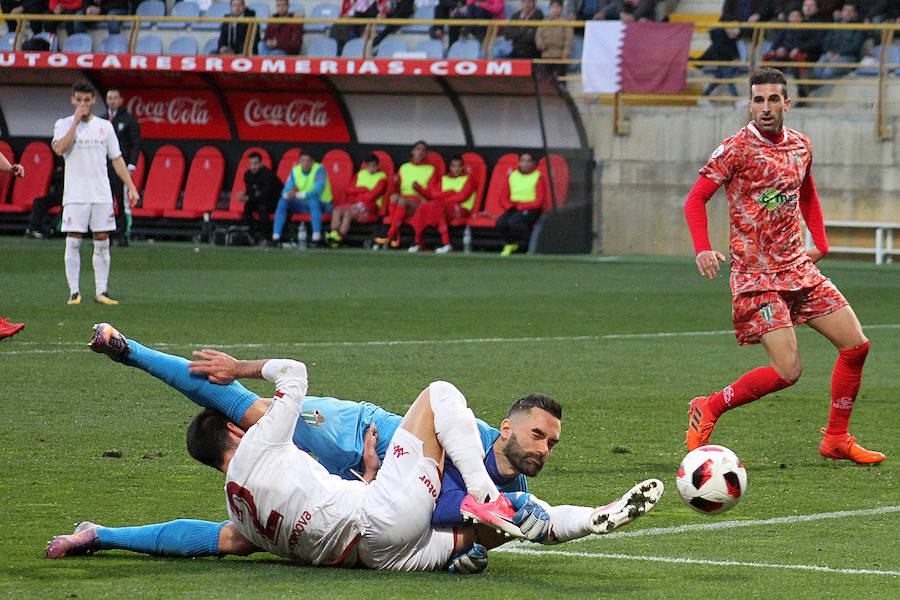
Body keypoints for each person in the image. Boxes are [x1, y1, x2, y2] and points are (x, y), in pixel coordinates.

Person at [45, 323, 663, 564]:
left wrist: (468, 548)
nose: (544, 449)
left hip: (362, 497)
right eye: (538, 435)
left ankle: (101, 535)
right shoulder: (471, 438)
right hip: (356, 439)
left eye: (550, 444)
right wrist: (240, 365)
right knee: (246, 405)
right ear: (507, 428)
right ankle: (133, 353)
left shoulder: (516, 486)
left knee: (235, 537)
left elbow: (458, 529)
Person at [683, 67, 884, 465]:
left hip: (798, 268)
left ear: (787, 103)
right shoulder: (736, 149)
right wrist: (703, 248)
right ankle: (709, 406)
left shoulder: (801, 146)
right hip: (757, 277)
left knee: (856, 345)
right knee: (789, 371)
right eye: (758, 99)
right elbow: (695, 199)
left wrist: (820, 242)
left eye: (773, 99)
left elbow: (806, 191)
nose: (766, 107)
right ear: (750, 104)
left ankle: (837, 439)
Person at [52, 80, 139, 305]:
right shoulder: (63, 124)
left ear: (92, 101)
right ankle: (74, 292)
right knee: (73, 241)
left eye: (86, 100)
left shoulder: (104, 126)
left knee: (102, 240)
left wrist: (130, 185)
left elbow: (117, 158)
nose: (82, 104)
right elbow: (60, 148)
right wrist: (75, 123)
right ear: (73, 100)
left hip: (101, 193)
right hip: (75, 195)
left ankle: (102, 291)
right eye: (78, 100)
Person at [374, 141, 438, 249]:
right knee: (394, 197)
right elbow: (396, 190)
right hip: (403, 203)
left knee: (401, 201)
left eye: (423, 150)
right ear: (413, 151)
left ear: (426, 153)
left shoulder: (431, 170)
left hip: (420, 204)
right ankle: (396, 235)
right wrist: (394, 183)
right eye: (418, 149)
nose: (420, 152)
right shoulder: (404, 167)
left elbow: (431, 196)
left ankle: (391, 234)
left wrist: (418, 188)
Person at [409, 155, 476, 254]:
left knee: (439, 207)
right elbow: (434, 194)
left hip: (462, 209)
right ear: (450, 167)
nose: (456, 169)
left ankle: (446, 244)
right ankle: (418, 242)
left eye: (459, 166)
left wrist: (443, 198)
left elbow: (462, 197)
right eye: (454, 166)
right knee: (424, 206)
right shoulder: (444, 178)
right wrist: (450, 192)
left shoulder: (468, 179)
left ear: (462, 167)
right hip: (443, 206)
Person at [104, 87, 141, 247]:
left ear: (120, 100)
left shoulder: (129, 120)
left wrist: (131, 164)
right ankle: (107, 233)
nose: (112, 100)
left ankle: (123, 233)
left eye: (115, 97)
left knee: (121, 199)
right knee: (105, 200)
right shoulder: (102, 120)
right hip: (104, 167)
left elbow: (135, 144)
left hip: (121, 167)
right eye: (109, 97)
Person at [272, 150, 332, 247]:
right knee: (283, 201)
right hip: (304, 204)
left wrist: (296, 194)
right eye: (303, 160)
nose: (305, 163)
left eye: (308, 161)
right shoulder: (295, 170)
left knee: (313, 201)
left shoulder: (320, 170)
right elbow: (286, 189)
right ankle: (276, 237)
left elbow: (316, 192)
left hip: (324, 205)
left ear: (313, 161)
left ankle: (316, 238)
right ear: (299, 160)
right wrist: (288, 194)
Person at [327, 154, 388, 247]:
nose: (371, 168)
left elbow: (373, 196)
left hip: (370, 206)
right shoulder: (360, 174)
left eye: (374, 166)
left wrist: (357, 195)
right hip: (355, 204)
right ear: (366, 166)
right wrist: (361, 190)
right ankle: (334, 233)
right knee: (337, 210)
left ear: (378, 166)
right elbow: (348, 189)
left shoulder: (382, 177)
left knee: (348, 213)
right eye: (369, 166)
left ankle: (339, 238)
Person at [495, 152, 548, 256]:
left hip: (531, 209)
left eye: (528, 161)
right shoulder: (513, 175)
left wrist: (522, 206)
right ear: (519, 163)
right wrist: (509, 206)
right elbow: (503, 196)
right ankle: (509, 244)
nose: (525, 164)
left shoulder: (538, 177)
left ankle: (528, 245)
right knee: (500, 222)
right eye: (523, 161)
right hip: (515, 208)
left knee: (514, 221)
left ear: (533, 163)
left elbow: (539, 200)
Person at [813, 2, 865, 80]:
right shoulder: (835, 25)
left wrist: (839, 54)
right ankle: (819, 90)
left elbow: (854, 46)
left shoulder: (859, 28)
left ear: (855, 13)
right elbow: (826, 40)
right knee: (817, 69)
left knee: (828, 71)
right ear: (841, 12)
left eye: (850, 11)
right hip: (830, 54)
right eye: (845, 10)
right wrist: (828, 51)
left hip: (848, 57)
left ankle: (820, 91)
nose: (847, 13)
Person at [238, 151, 281, 244]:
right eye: (251, 164)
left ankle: (267, 237)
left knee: (263, 208)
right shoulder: (248, 175)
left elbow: (266, 195)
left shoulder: (268, 175)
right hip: (259, 200)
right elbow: (250, 192)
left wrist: (249, 198)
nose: (253, 166)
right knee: (247, 206)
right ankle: (251, 235)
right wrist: (243, 196)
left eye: (255, 163)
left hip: (274, 201)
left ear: (261, 163)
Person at [696, 19, 742, 105]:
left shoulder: (731, 38)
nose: (737, 32)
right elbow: (718, 48)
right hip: (718, 59)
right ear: (727, 29)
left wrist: (736, 57)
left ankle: (704, 97)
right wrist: (732, 58)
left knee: (718, 78)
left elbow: (734, 49)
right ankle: (736, 99)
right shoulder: (719, 35)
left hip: (723, 59)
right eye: (734, 29)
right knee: (728, 75)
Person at [25, 154, 64, 239]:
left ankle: (51, 230)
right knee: (39, 201)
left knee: (66, 206)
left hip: (74, 196)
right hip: (60, 194)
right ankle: (34, 229)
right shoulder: (62, 163)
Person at [535, 0, 574, 80]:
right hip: (546, 55)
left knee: (559, 79)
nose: (555, 9)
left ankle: (561, 90)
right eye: (553, 7)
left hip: (560, 56)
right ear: (550, 8)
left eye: (558, 7)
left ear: (562, 8)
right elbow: (538, 35)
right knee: (544, 79)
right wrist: (540, 45)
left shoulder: (566, 22)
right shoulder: (544, 21)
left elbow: (569, 39)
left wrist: (566, 53)